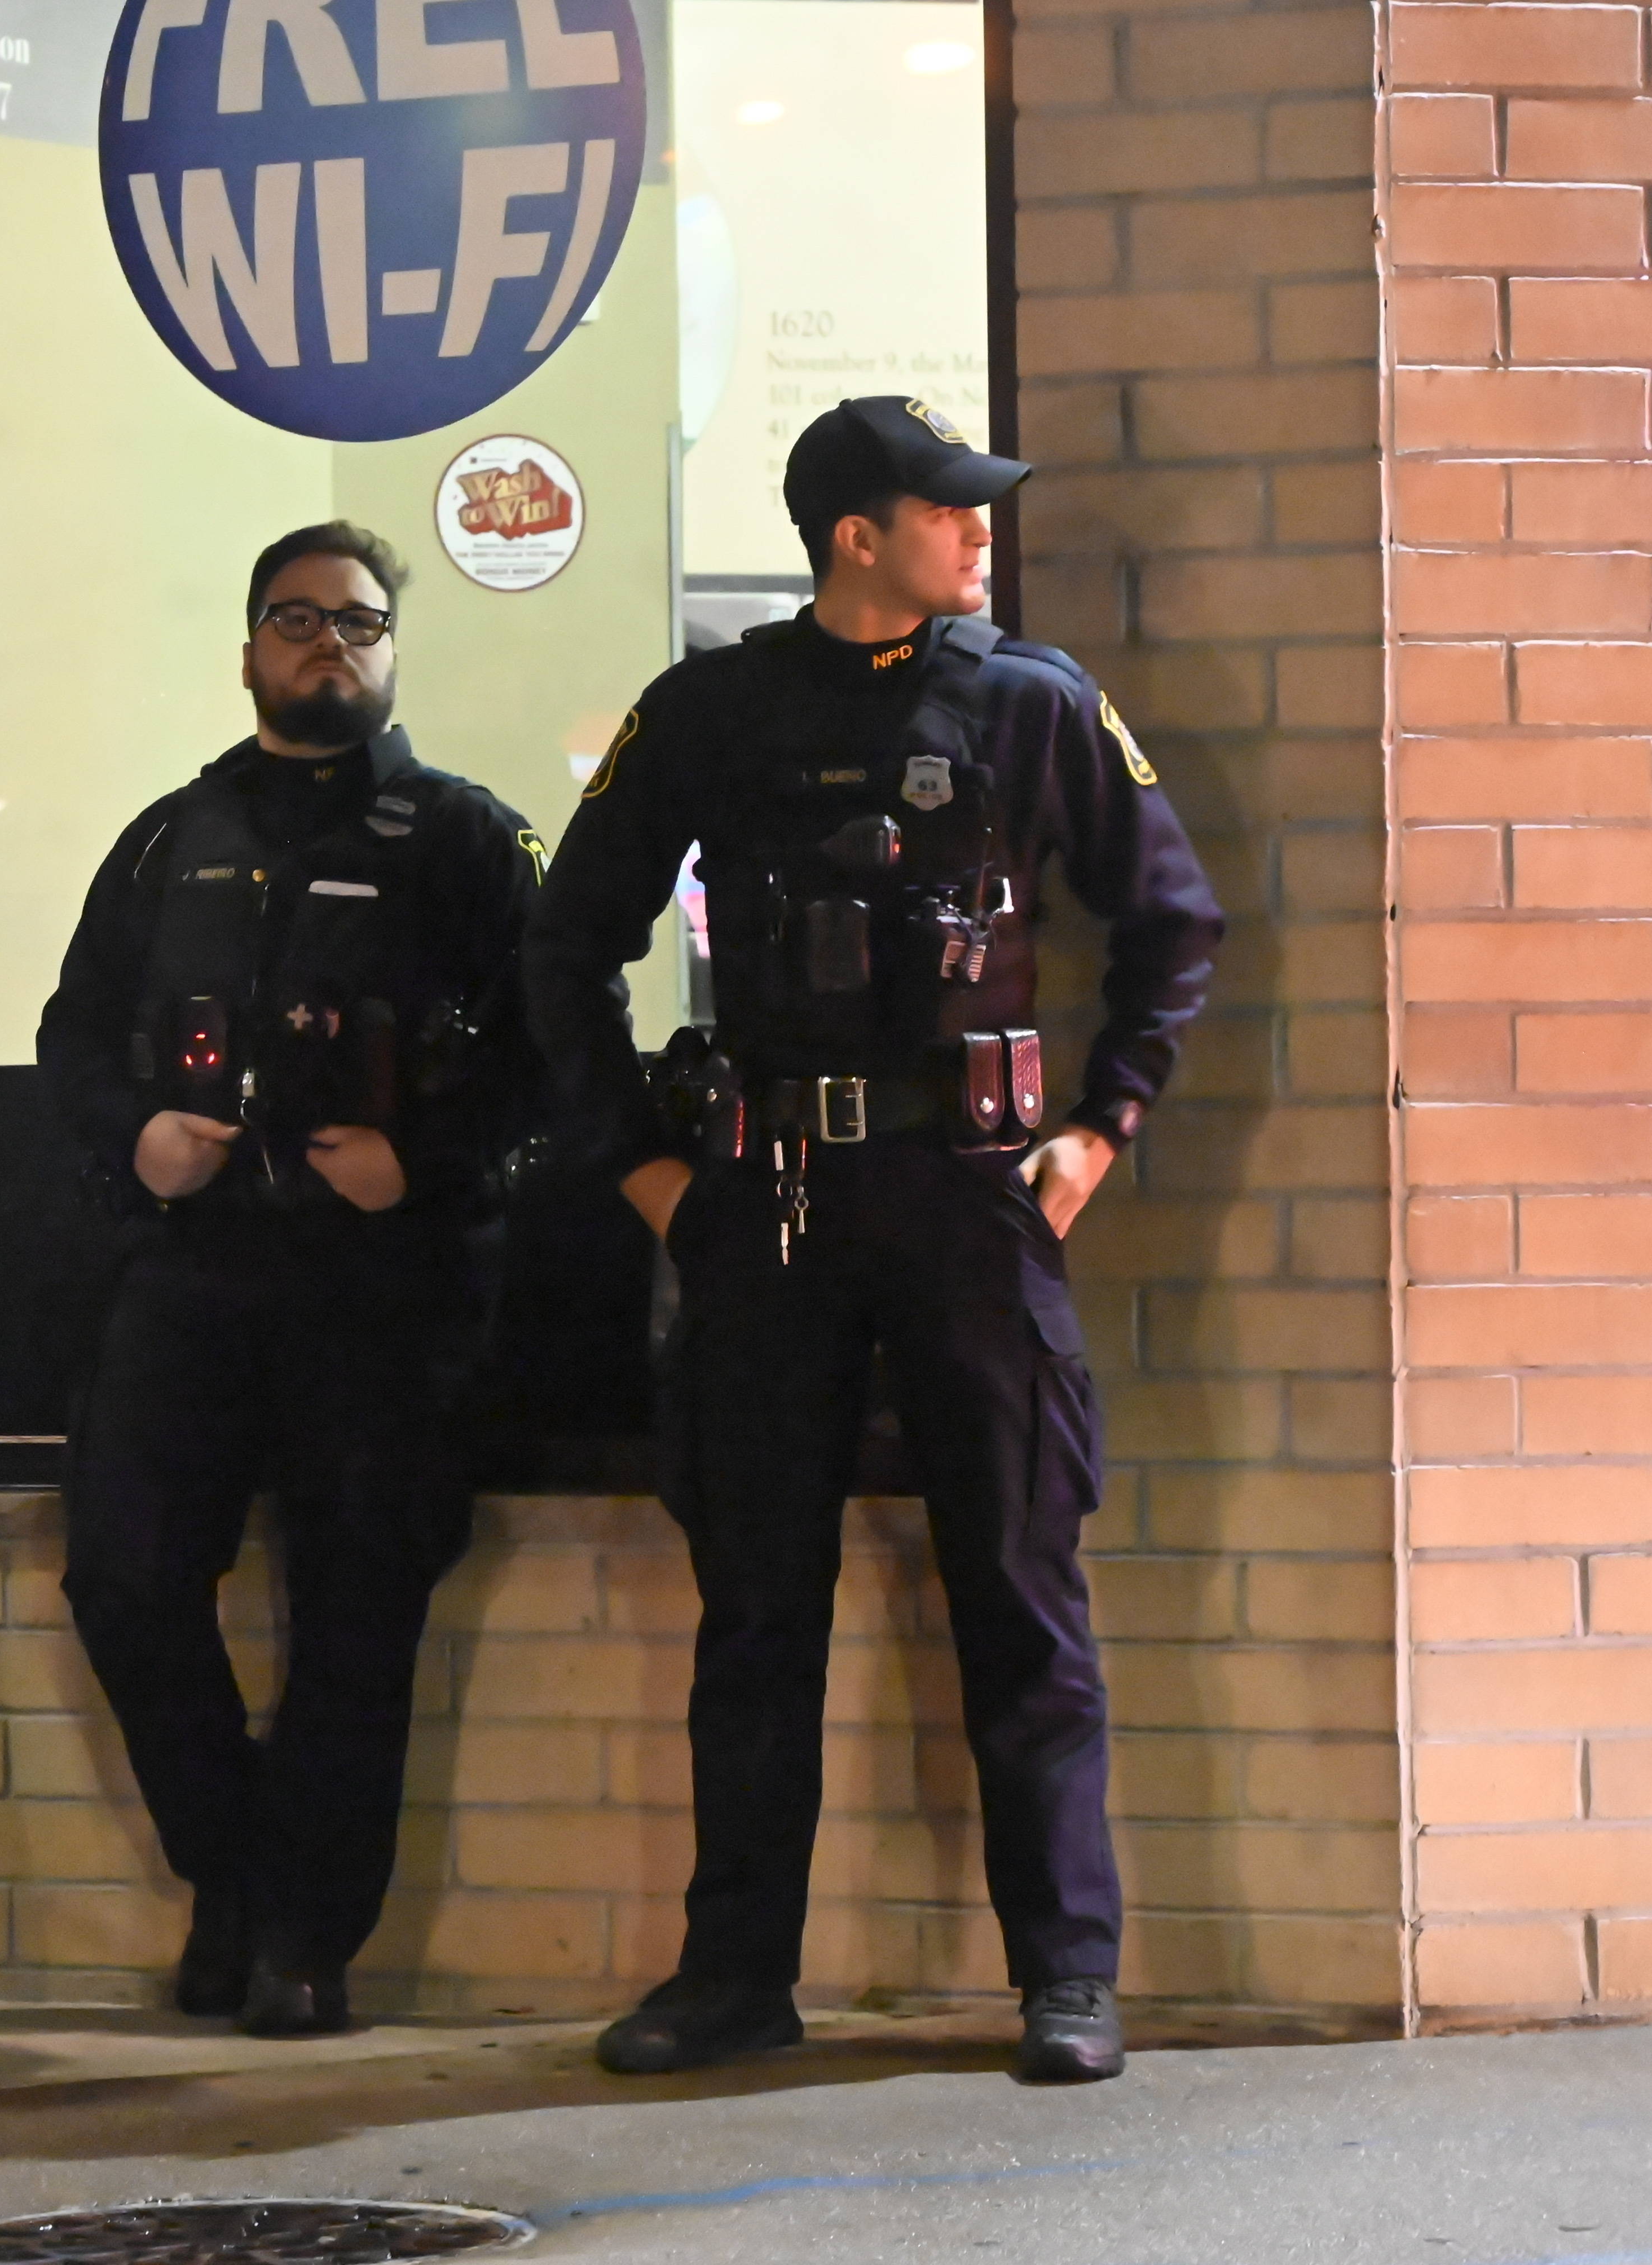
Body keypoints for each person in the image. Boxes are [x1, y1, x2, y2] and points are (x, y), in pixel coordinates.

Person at [526, 398, 1226, 2085]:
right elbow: (564, 944)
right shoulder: (712, 711)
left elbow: (1173, 920)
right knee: (757, 1607)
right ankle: (733, 1979)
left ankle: (1066, 1976)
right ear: (858, 535)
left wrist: (1101, 1128)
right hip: (766, 1201)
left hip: (973, 1197)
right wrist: (643, 1170)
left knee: (1021, 1590)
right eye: (948, 509)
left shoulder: (1029, 701)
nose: (981, 532)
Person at [37, 522, 541, 2038]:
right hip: (194, 1266)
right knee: (124, 1579)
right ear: (250, 647)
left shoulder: (467, 841)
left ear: (393, 649)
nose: (332, 644)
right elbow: (73, 1039)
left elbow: (557, 1057)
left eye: (361, 622)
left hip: (384, 1282)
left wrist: (422, 1163)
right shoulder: (167, 840)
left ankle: (301, 1942)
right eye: (300, 619)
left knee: (357, 1614)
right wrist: (141, 1139)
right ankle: (240, 1879)